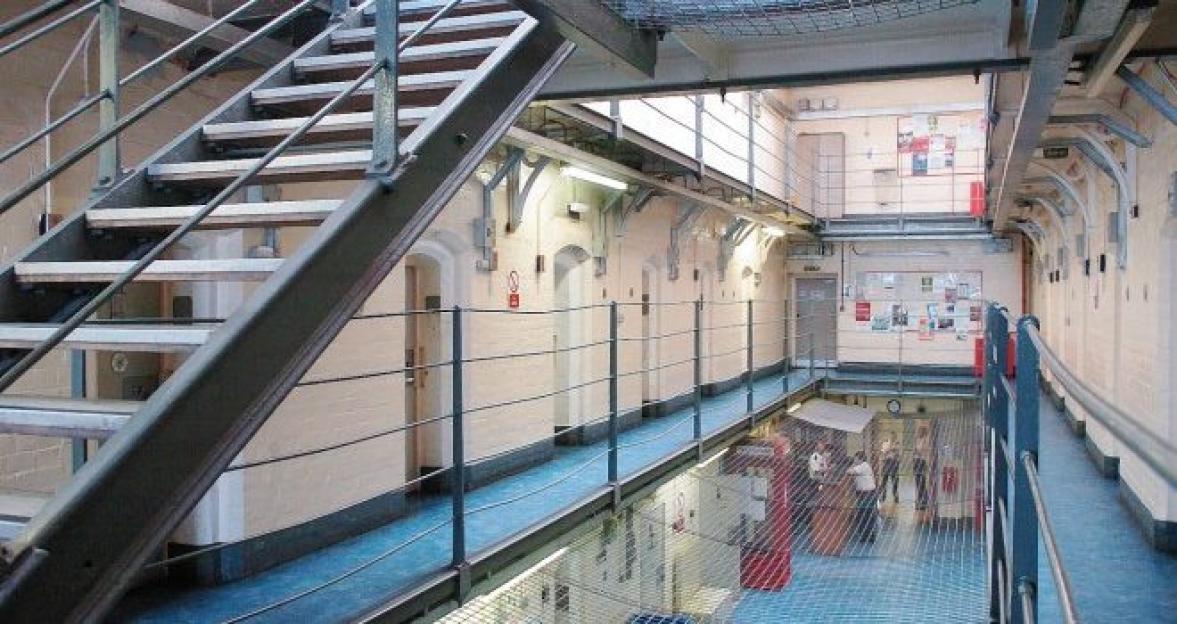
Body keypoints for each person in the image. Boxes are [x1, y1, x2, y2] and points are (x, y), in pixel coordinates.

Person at [846, 451, 878, 542]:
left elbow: (849, 471)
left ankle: (870, 536)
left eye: (855, 458)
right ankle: (865, 536)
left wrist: (852, 465)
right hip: (863, 494)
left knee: (867, 515)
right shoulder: (862, 466)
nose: (854, 460)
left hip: (868, 494)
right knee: (862, 515)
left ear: (859, 459)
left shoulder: (864, 466)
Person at [913, 427, 931, 511]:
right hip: (917, 461)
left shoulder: (925, 440)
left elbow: (920, 450)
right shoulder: (918, 440)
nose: (918, 432)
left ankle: (924, 502)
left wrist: (917, 450)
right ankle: (921, 501)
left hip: (921, 462)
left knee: (921, 483)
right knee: (918, 483)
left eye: (919, 431)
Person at [878, 435, 900, 503]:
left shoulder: (897, 445)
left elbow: (897, 452)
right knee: (884, 480)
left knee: (894, 481)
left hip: (894, 463)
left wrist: (891, 449)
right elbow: (884, 452)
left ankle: (895, 496)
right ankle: (883, 496)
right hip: (887, 462)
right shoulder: (885, 444)